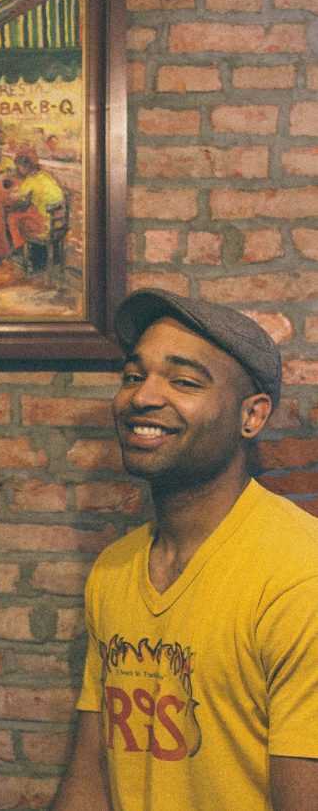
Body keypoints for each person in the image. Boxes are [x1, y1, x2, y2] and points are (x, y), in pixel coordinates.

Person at [51, 288, 318, 811]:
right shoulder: (116, 569)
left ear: (252, 417)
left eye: (184, 381)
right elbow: (90, 783)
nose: (143, 397)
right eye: (133, 376)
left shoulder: (300, 577)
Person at [7, 148, 64, 255]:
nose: (18, 169)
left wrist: (11, 193)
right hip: (58, 222)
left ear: (26, 166)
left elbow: (17, 197)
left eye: (19, 166)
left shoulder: (30, 180)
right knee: (28, 212)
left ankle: (19, 247)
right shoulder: (46, 175)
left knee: (12, 217)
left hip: (45, 223)